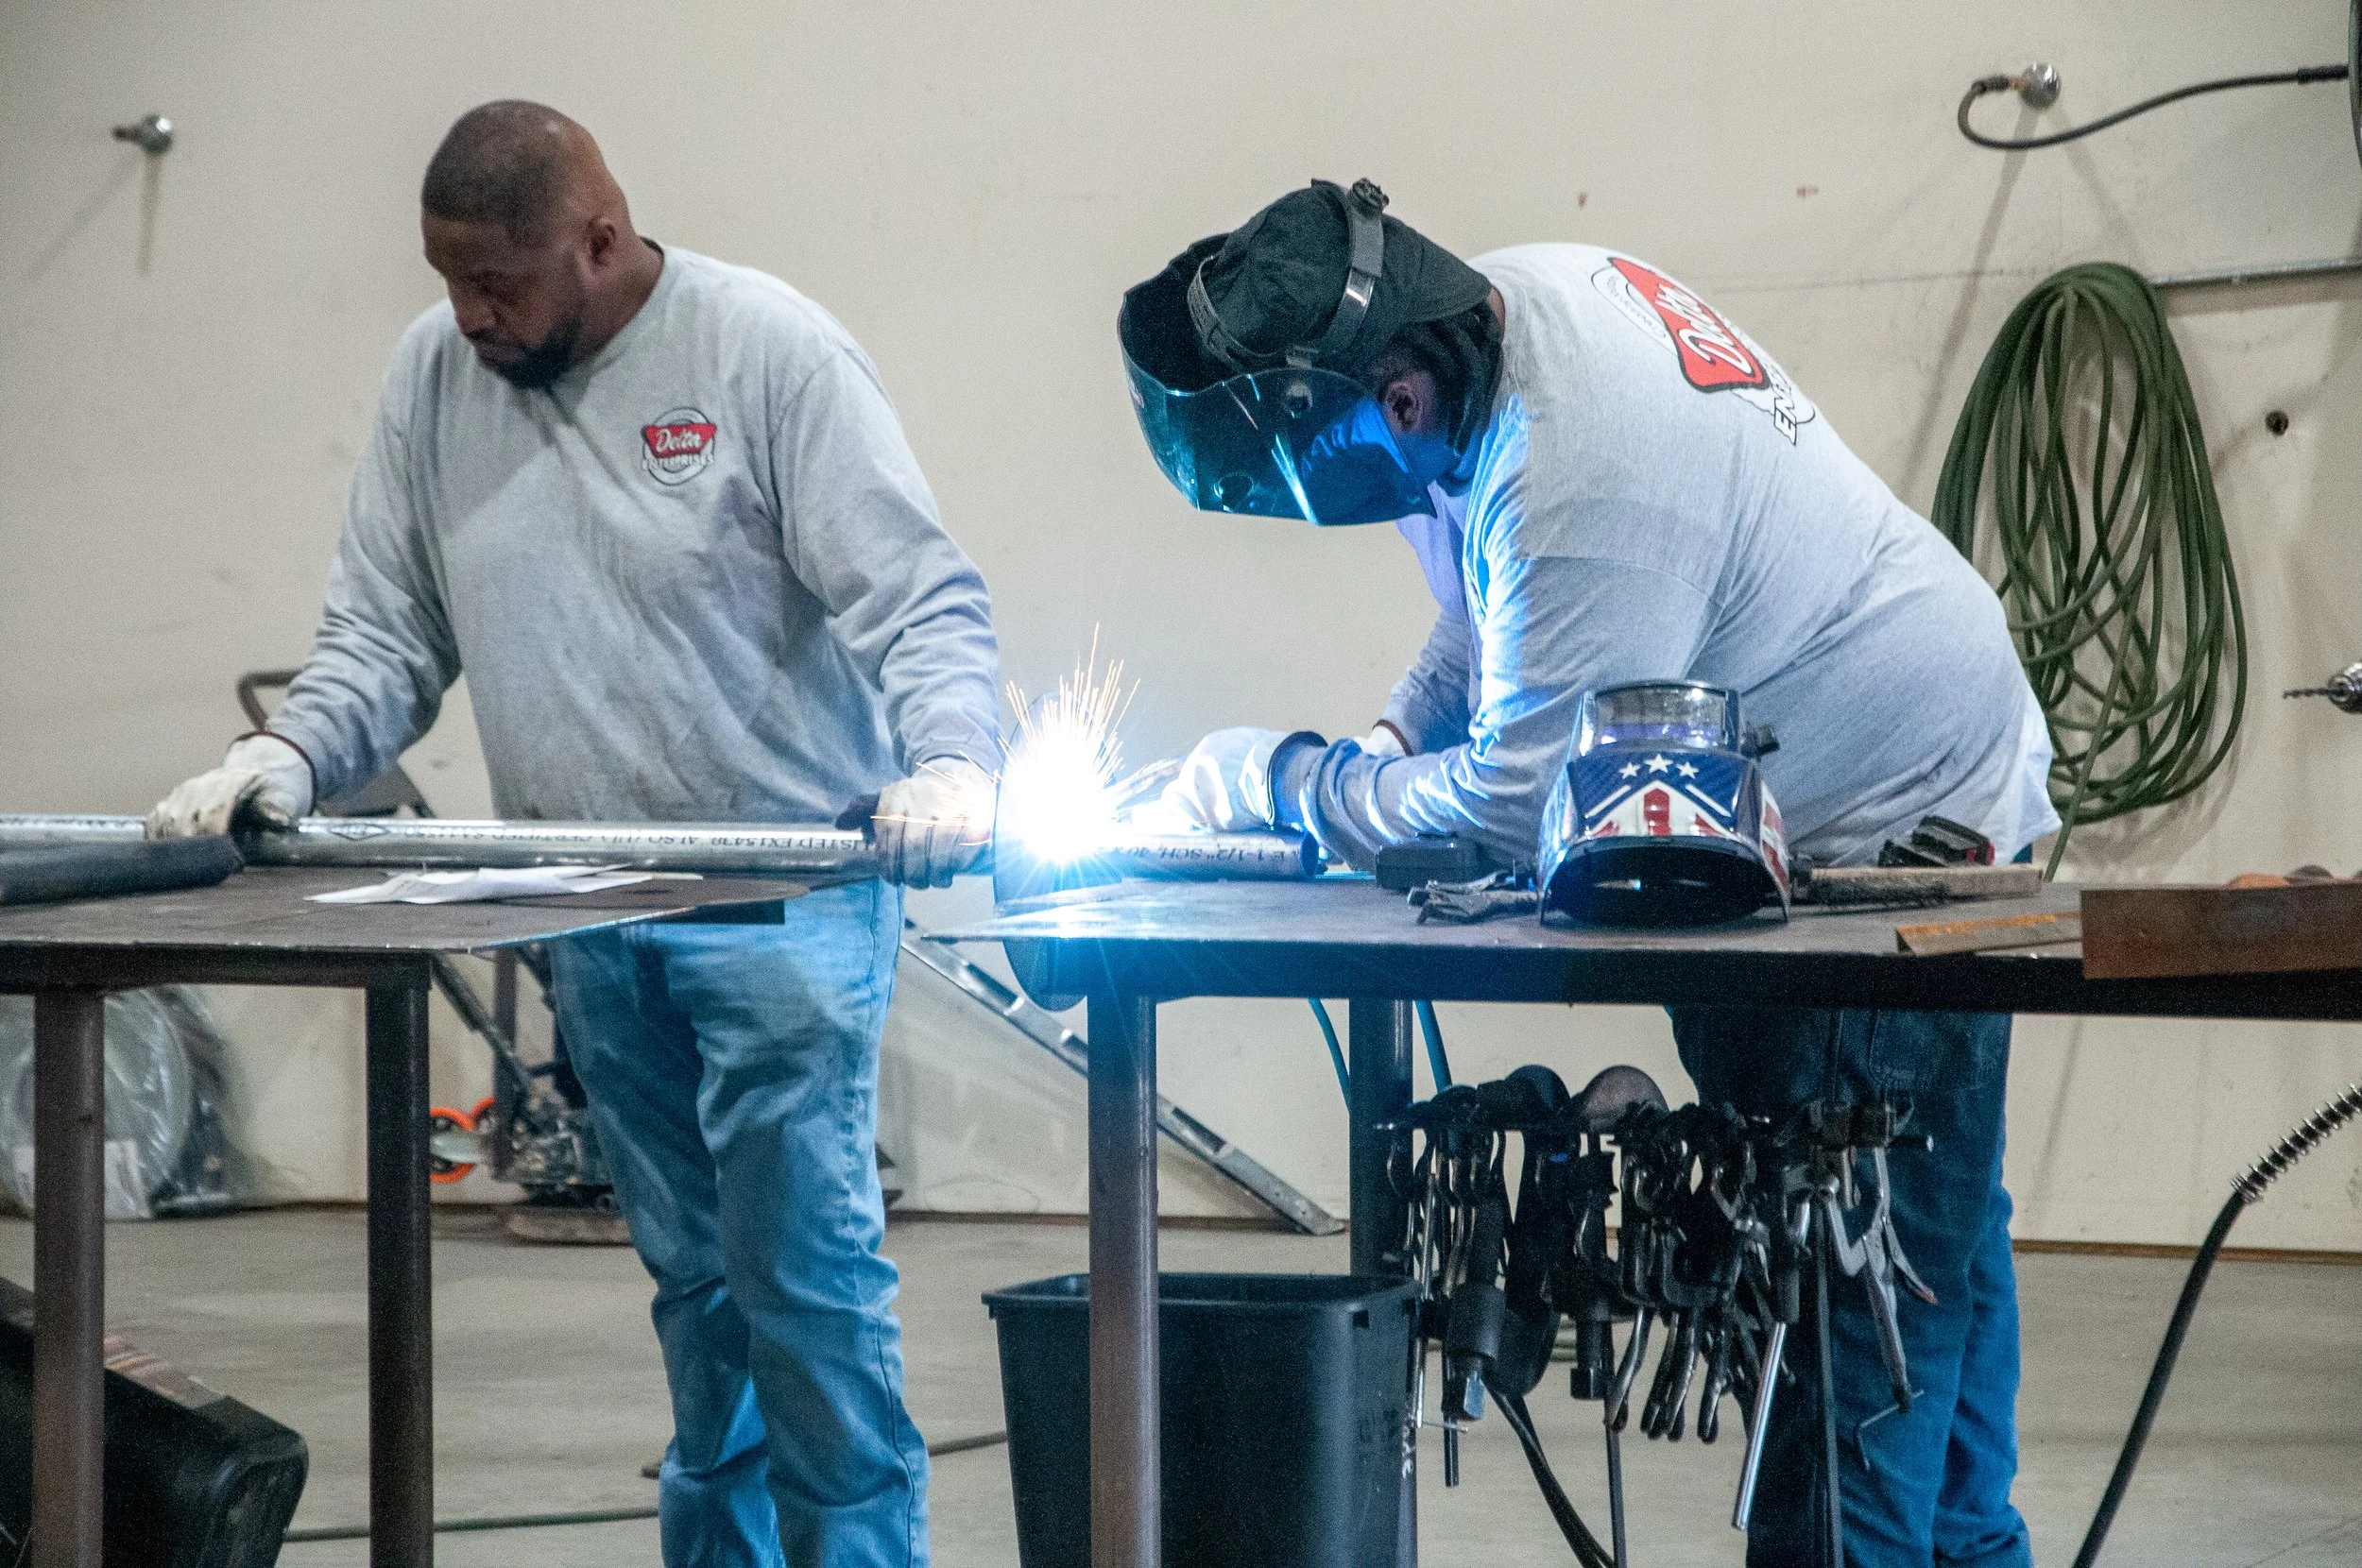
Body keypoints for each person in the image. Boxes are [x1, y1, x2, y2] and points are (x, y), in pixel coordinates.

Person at [1121, 179, 2056, 1568]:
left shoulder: (1581, 475)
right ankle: (1972, 1552)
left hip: (1884, 829)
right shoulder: (1494, 319)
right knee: (1938, 1246)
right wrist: (1389, 741)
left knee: (1857, 1293)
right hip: (1908, 749)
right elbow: (1485, 603)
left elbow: (1519, 807)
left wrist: (1288, 784)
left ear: (1393, 398)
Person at [149, 101, 998, 1568]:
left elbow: (916, 598)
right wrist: (283, 753)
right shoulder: (434, 377)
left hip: (781, 908)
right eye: (447, 281)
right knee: (696, 1287)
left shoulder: (765, 352)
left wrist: (959, 763)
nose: (469, 316)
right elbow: (383, 637)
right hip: (592, 907)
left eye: (498, 284)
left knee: (802, 1286)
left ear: (600, 241)